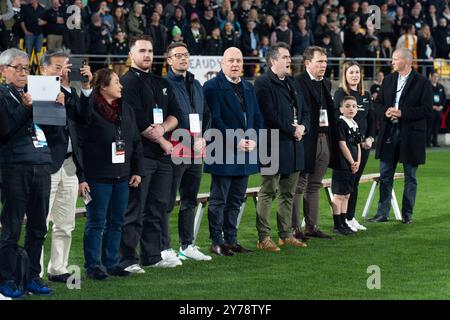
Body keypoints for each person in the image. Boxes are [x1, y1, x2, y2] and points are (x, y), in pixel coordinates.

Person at [119, 35, 181, 271]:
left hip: (161, 158)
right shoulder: (127, 82)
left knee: (157, 208)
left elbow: (176, 114)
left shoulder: (161, 82)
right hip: (140, 156)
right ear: (131, 54)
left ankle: (152, 256)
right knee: (134, 209)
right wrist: (165, 143)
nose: (147, 55)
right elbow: (136, 119)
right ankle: (126, 259)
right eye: (142, 50)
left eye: (150, 51)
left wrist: (164, 129)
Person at [78, 68, 143, 280]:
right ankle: (93, 265)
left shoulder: (127, 108)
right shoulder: (90, 108)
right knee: (96, 222)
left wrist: (137, 170)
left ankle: (112, 262)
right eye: (116, 82)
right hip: (97, 176)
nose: (121, 85)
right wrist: (82, 177)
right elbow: (80, 143)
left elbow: (135, 141)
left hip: (122, 176)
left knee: (117, 221)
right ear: (104, 86)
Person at [0, 48, 53, 298]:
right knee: (11, 227)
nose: (23, 72)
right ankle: (7, 278)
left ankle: (31, 275)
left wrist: (57, 108)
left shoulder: (34, 93)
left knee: (38, 227)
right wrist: (28, 109)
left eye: (26, 68)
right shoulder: (1, 94)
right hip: (15, 167)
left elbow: (53, 131)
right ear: (3, 70)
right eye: (18, 68)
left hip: (41, 164)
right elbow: (6, 129)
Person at [203, 47, 264, 256]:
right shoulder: (211, 86)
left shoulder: (248, 86)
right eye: (231, 61)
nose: (235, 64)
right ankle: (216, 241)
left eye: (238, 60)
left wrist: (254, 139)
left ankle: (231, 240)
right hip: (222, 150)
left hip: (246, 151)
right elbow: (214, 120)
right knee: (219, 200)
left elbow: (257, 116)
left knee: (236, 199)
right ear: (222, 63)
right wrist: (235, 140)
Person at [38, 49, 92, 283]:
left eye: (66, 67)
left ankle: (58, 268)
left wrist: (85, 86)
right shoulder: (38, 90)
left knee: (66, 223)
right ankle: (34, 270)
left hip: (70, 165)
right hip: (46, 165)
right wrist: (58, 101)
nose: (63, 72)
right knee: (40, 222)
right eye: (57, 67)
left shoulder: (69, 92)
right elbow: (48, 129)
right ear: (43, 69)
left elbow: (84, 119)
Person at [254, 42, 309, 252]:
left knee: (288, 192)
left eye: (289, 57)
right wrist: (292, 129)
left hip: (294, 145)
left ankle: (286, 234)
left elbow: (304, 110)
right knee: (268, 191)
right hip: (272, 144)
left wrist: (303, 127)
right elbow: (268, 115)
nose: (289, 61)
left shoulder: (292, 82)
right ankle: (263, 237)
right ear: (273, 60)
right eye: (285, 57)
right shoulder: (262, 83)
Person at [368, 48, 432, 224]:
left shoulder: (422, 82)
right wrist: (386, 112)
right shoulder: (388, 80)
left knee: (410, 177)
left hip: (411, 135)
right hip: (389, 132)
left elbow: (427, 110)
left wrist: (402, 113)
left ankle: (407, 214)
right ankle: (383, 213)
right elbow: (377, 104)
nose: (392, 62)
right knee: (385, 174)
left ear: (406, 61)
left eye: (395, 59)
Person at [165, 42, 212, 261]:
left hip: (196, 152)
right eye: (178, 55)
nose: (183, 58)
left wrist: (204, 137)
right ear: (169, 60)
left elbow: (207, 115)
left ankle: (187, 245)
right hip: (174, 152)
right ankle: (164, 248)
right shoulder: (164, 85)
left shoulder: (197, 85)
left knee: (189, 200)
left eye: (186, 55)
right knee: (166, 201)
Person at [292, 46, 339, 241]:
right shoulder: (298, 82)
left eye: (325, 61)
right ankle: (294, 228)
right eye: (320, 61)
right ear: (307, 63)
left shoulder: (326, 83)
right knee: (299, 185)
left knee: (315, 185)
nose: (324, 65)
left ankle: (312, 225)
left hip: (323, 140)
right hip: (306, 140)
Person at [333, 61, 376, 232]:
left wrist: (371, 138)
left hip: (362, 147)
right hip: (346, 147)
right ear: (345, 74)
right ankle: (341, 221)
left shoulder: (365, 94)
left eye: (357, 72)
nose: (355, 75)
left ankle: (350, 218)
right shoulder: (339, 94)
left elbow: (372, 120)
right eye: (351, 72)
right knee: (344, 184)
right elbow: (338, 121)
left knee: (354, 182)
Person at [331, 96, 363, 235]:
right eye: (348, 106)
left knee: (347, 195)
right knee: (339, 195)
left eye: (354, 106)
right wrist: (351, 162)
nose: (351, 109)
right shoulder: (341, 123)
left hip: (353, 165)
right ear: (341, 109)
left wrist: (358, 162)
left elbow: (358, 145)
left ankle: (344, 223)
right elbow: (342, 144)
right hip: (342, 164)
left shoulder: (354, 123)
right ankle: (337, 225)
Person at [428, 72, 446, 147]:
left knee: (436, 127)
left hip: (439, 110)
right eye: (434, 76)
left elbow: (444, 98)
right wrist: (432, 106)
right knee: (430, 127)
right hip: (431, 110)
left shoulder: (441, 87)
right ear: (431, 77)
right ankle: (428, 142)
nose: (436, 78)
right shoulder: (428, 86)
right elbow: (425, 98)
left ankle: (435, 142)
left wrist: (441, 106)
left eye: (437, 77)